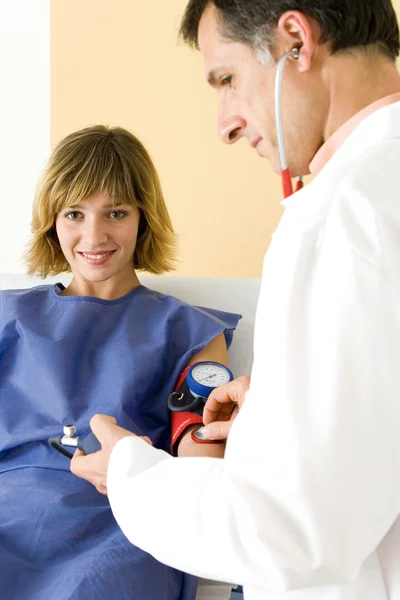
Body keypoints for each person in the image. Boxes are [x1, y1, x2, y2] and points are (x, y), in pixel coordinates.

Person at [71, 1, 400, 599]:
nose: (225, 124)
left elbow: (293, 533)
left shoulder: (342, 218)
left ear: (296, 40)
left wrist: (128, 473)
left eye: (227, 80)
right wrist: (276, 414)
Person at [0, 124, 241, 600]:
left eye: (116, 212)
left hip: (125, 523)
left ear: (143, 218)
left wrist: (148, 471)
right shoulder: (9, 316)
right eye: (74, 213)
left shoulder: (191, 333)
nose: (94, 235)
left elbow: (201, 461)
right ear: (52, 219)